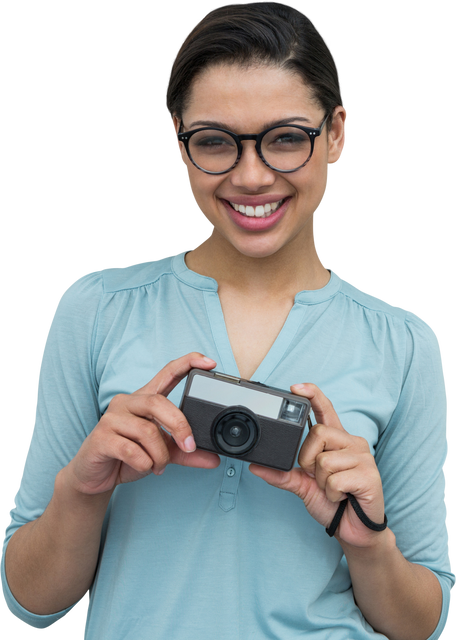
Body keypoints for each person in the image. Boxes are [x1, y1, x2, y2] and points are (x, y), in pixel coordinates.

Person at [1, 1, 453, 638]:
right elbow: (30, 601)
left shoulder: (404, 344)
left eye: (287, 138)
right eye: (214, 141)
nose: (251, 175)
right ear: (178, 140)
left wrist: (366, 539)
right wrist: (84, 487)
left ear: (337, 134)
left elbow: (423, 624)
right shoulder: (97, 308)